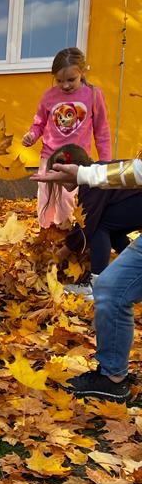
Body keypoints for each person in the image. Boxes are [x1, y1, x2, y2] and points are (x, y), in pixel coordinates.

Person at [33, 156, 142, 402]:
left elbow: (89, 226)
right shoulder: (96, 177)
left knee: (102, 231)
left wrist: (62, 253)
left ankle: (112, 377)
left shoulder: (92, 190)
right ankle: (113, 377)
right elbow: (138, 170)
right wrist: (83, 174)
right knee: (112, 286)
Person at [22, 47, 111, 229]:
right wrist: (32, 135)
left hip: (76, 160)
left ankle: (66, 233)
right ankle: (46, 232)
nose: (65, 85)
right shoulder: (49, 96)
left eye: (71, 80)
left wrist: (105, 163)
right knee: (46, 197)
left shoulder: (93, 95)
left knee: (67, 199)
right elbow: (39, 123)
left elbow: (101, 131)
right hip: (50, 157)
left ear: (83, 72)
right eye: (59, 81)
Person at [43, 145, 142, 300]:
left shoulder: (90, 184)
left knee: (98, 224)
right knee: (112, 230)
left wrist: (62, 253)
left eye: (59, 178)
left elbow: (87, 225)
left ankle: (96, 286)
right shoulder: (96, 171)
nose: (59, 184)